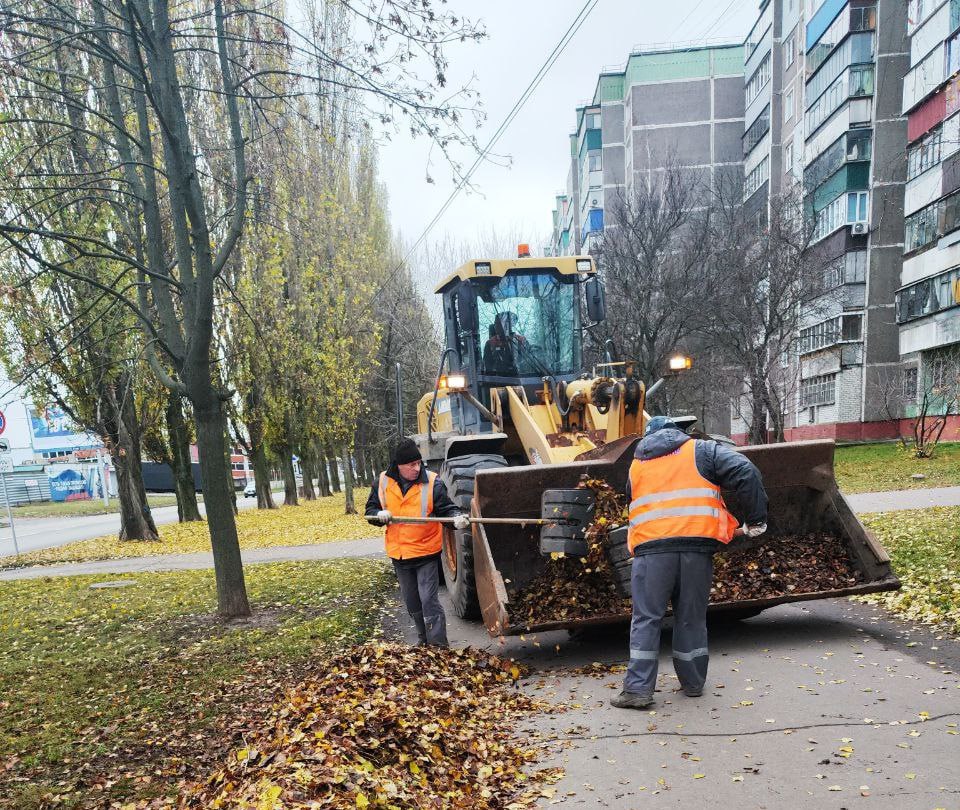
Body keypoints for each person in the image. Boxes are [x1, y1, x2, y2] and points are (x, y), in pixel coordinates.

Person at [610, 416, 768, 710]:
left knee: (647, 619)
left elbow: (633, 507)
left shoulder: (636, 465)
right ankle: (693, 683)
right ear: (678, 433)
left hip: (651, 553)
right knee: (691, 617)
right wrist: (756, 519)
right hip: (696, 552)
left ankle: (637, 691)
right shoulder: (703, 451)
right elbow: (745, 471)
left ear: (647, 438)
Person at [365, 437, 469, 647]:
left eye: (418, 463)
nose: (416, 467)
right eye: (411, 464)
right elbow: (370, 512)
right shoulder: (382, 482)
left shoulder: (432, 482)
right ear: (398, 466)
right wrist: (379, 514)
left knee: (428, 599)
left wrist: (457, 518)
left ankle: (439, 646)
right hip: (399, 555)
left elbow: (446, 510)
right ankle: (423, 642)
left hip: (425, 553)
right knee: (412, 601)